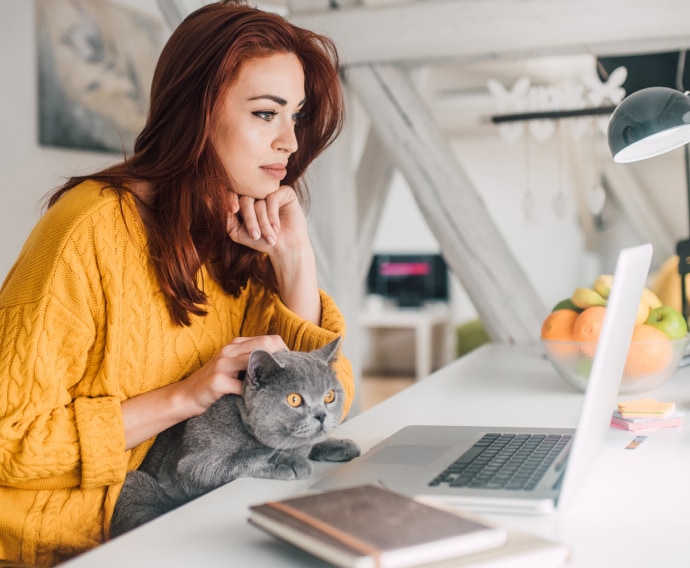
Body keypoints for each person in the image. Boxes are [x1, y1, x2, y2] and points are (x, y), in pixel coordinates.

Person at [0, 1, 354, 565]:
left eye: (297, 116)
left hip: (183, 518)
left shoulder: (238, 233)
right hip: (62, 547)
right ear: (199, 112)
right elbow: (9, 443)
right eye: (267, 113)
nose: (290, 140)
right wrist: (183, 395)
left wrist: (295, 259)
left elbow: (323, 403)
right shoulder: (85, 229)